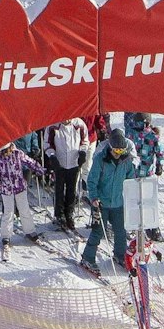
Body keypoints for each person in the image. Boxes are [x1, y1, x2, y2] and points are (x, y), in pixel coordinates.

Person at [79, 131, 144, 276]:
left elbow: (130, 180)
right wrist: (94, 198)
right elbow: (92, 181)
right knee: (98, 231)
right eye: (115, 150)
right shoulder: (100, 160)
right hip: (101, 203)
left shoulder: (126, 161)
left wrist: (133, 195)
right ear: (110, 147)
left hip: (117, 203)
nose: (117, 154)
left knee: (120, 231)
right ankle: (87, 257)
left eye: (121, 151)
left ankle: (120, 254)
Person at [0, 141, 43, 252]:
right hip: (6, 189)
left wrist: (39, 169)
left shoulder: (17, 153)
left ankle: (30, 231)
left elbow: (29, 161)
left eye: (6, 151)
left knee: (24, 209)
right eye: (2, 151)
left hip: (19, 187)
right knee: (8, 212)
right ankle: (6, 236)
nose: (5, 153)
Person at [48, 117, 89, 231]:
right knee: (59, 189)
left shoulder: (79, 124)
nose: (66, 120)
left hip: (74, 162)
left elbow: (85, 140)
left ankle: (69, 213)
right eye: (64, 119)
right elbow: (47, 143)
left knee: (72, 189)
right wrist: (52, 155)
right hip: (59, 162)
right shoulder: (53, 126)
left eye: (68, 119)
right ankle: (59, 214)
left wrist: (82, 152)